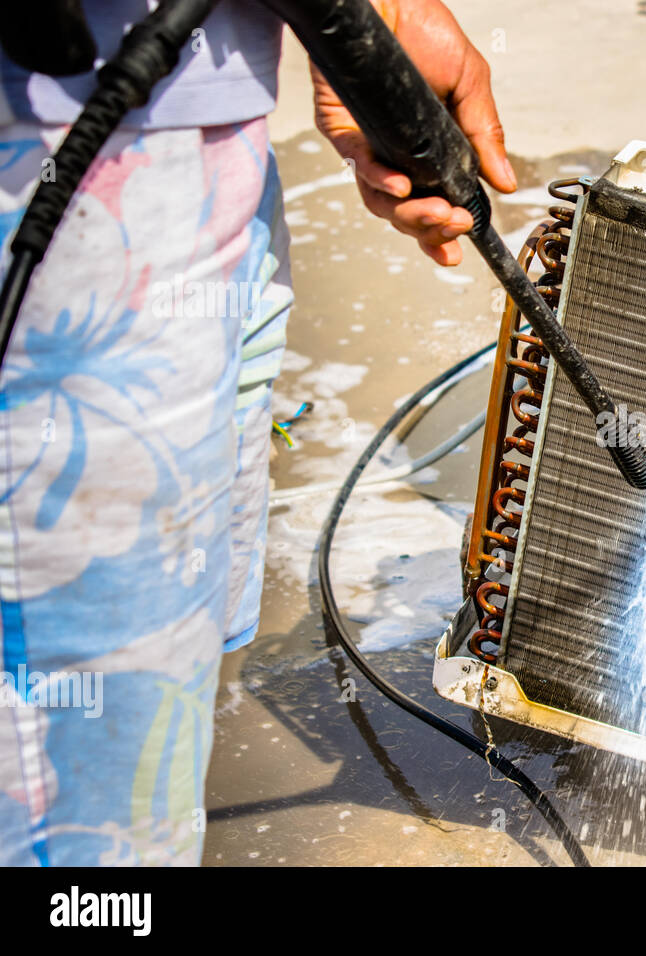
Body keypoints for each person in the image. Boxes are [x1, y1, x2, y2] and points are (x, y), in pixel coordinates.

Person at [0, 0, 513, 865]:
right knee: (79, 807)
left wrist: (369, 16)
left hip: (199, 137)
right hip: (62, 162)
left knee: (173, 675)